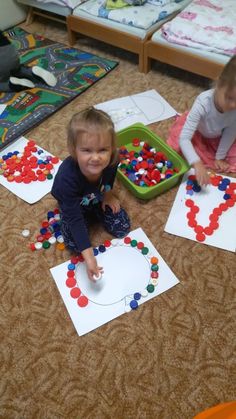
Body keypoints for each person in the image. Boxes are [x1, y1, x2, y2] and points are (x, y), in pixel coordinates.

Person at [51, 107, 130, 281]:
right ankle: (86, 217)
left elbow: (110, 174)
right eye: (86, 150)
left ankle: (95, 211)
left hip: (96, 196)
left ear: (111, 149)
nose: (96, 157)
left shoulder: (113, 158)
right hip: (74, 204)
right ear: (73, 150)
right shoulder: (67, 179)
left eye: (102, 150)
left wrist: (108, 193)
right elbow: (75, 219)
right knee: (74, 244)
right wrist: (89, 257)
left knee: (122, 227)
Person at [167, 55, 236, 186]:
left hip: (217, 137)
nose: (233, 105)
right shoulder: (203, 102)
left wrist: (219, 157)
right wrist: (196, 162)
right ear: (219, 84)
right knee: (179, 146)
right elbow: (185, 138)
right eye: (229, 98)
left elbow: (230, 133)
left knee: (231, 156)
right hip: (197, 134)